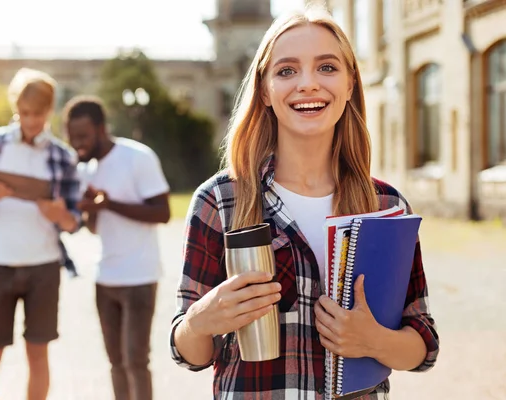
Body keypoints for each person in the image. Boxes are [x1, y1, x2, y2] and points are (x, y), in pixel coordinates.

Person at [170, 4, 439, 399]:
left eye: (327, 68)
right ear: (264, 90)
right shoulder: (220, 200)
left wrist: (373, 341)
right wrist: (200, 321)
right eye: (287, 71)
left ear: (350, 84)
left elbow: (423, 343)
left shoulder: (385, 205)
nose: (308, 84)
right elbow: (188, 352)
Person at [0, 68, 81, 400]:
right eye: (25, 113)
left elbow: (74, 223)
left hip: (44, 267)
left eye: (38, 114)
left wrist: (59, 213)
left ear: (49, 110)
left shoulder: (62, 156)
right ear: (16, 108)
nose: (30, 121)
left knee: (38, 356)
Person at [63, 95, 171, 400]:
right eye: (73, 138)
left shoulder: (137, 156)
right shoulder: (87, 169)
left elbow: (162, 213)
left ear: (101, 129)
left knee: (136, 361)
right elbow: (96, 227)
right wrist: (93, 209)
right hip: (105, 277)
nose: (78, 145)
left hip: (139, 276)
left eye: (83, 137)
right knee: (115, 362)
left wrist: (109, 203)